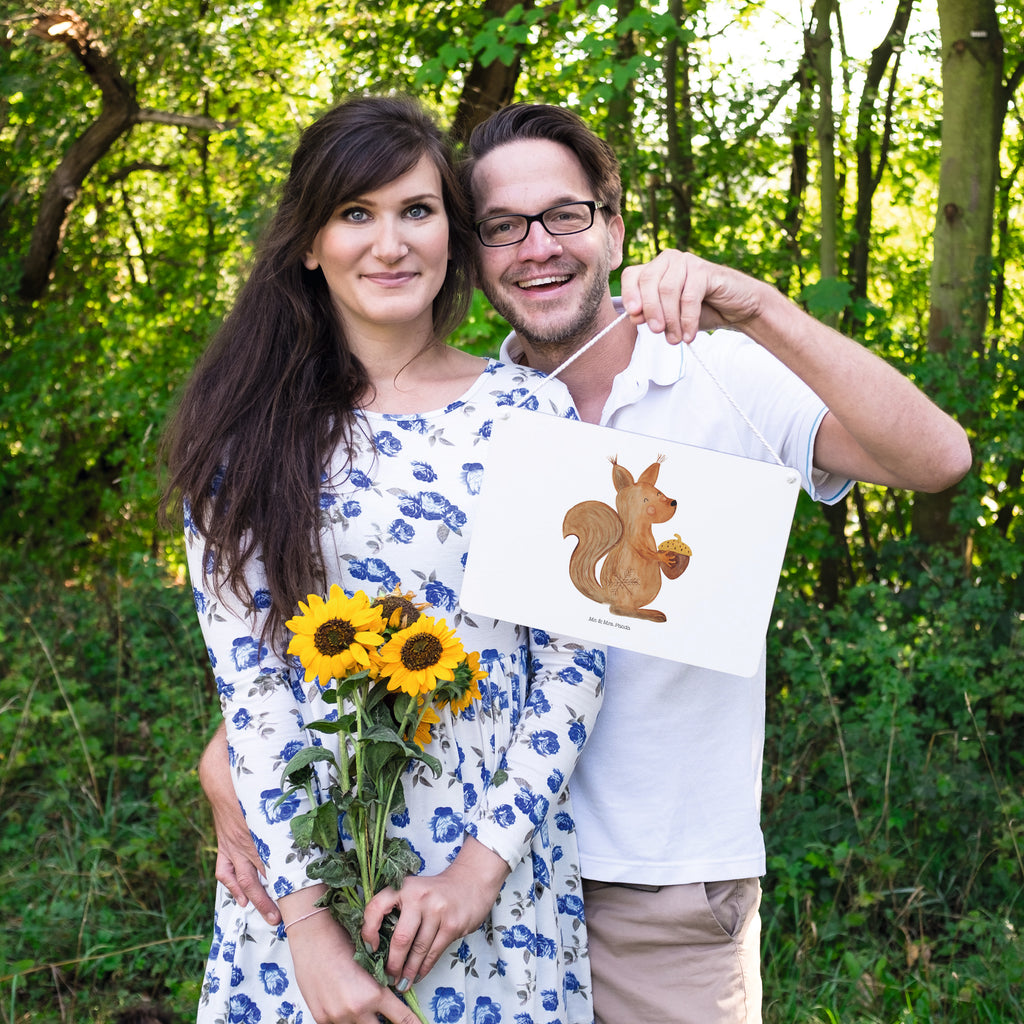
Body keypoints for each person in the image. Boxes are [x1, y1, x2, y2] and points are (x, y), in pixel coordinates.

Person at [202, 102, 972, 1024]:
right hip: (420, 875)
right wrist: (235, 771)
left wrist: (759, 306)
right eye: (502, 226)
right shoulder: (457, 417)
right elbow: (333, 634)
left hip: (650, 887)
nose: (537, 247)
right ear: (474, 250)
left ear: (612, 225)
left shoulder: (711, 374)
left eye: (565, 215)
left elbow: (937, 461)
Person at [163, 96, 607, 1024]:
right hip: (301, 886)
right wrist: (311, 937)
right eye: (355, 214)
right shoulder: (244, 437)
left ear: (452, 230)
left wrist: (478, 873)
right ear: (309, 244)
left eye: (417, 210)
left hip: (492, 887)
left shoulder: (531, 415)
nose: (390, 243)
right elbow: (254, 690)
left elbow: (573, 661)